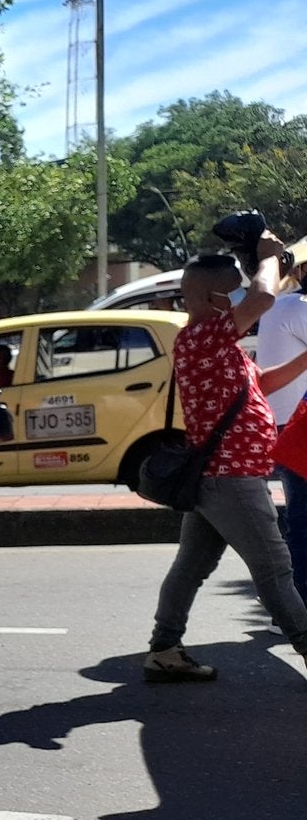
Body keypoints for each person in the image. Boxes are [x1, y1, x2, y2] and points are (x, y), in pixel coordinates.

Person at [145, 240, 307, 683]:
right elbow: (264, 297)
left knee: (191, 567)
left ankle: (164, 650)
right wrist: (271, 255)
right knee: (276, 571)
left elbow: (264, 384)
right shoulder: (200, 337)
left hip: (218, 478)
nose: (241, 300)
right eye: (234, 292)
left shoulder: (220, 346)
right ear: (212, 299)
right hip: (230, 480)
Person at [255, 257, 307, 603]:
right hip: (297, 425)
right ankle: (297, 604)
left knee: (301, 518)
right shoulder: (298, 308)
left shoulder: (285, 304)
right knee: (303, 520)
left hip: (288, 423)